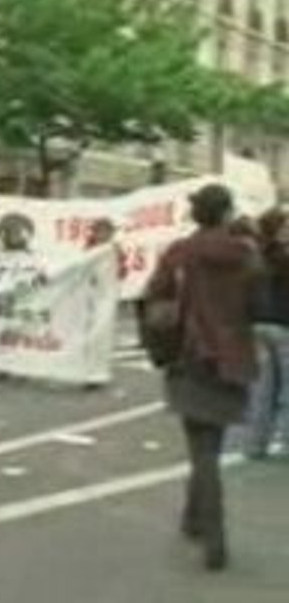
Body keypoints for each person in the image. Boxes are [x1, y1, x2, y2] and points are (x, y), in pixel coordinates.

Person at [144, 184, 259, 571]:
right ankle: (197, 519)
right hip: (233, 357)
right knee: (213, 439)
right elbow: (259, 302)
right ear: (226, 213)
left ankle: (213, 532)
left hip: (190, 353)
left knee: (201, 448)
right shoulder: (245, 254)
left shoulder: (180, 253)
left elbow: (153, 296)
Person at [244, 208, 289, 459]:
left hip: (258, 325)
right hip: (284, 324)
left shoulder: (255, 255)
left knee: (261, 389)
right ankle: (286, 441)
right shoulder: (284, 256)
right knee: (286, 389)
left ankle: (256, 443)